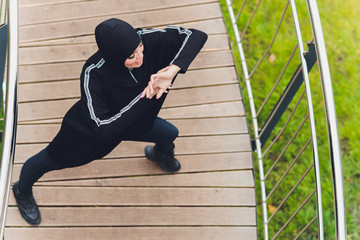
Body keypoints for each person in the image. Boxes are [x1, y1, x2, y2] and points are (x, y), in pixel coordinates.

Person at [12, 18, 207, 225]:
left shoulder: (144, 40)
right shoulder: (93, 74)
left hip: (139, 122)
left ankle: (160, 153)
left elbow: (196, 35)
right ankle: (22, 189)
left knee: (169, 133)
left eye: (139, 48)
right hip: (89, 133)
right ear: (114, 57)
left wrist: (173, 69)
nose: (140, 56)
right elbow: (104, 130)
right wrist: (146, 97)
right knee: (49, 160)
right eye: (131, 56)